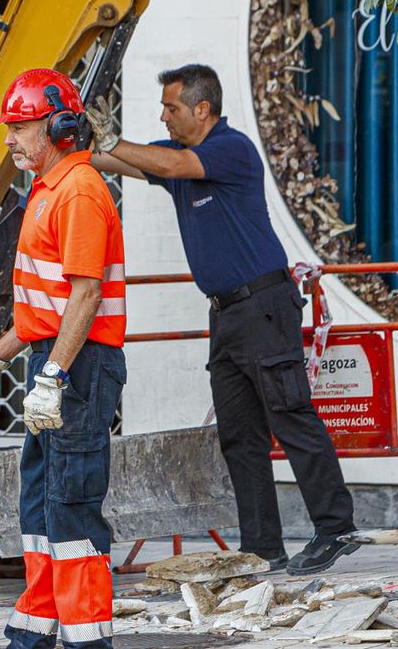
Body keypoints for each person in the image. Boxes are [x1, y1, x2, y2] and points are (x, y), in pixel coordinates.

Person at [87, 64, 358, 576]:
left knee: (290, 415)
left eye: (171, 108)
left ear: (202, 109)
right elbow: (121, 161)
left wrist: (113, 140)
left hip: (263, 306)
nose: (163, 117)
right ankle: (262, 548)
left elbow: (169, 164)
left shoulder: (229, 149)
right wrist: (70, 146)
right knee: (239, 435)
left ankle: (335, 528)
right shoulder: (179, 163)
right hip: (227, 315)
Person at [0, 68, 126, 649]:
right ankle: (33, 634)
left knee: (70, 506)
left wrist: (53, 375)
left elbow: (86, 295)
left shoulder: (78, 190)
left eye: (20, 126)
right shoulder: (49, 188)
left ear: (57, 127)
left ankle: (87, 640)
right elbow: (46, 309)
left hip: (79, 368)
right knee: (40, 503)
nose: (9, 138)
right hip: (56, 364)